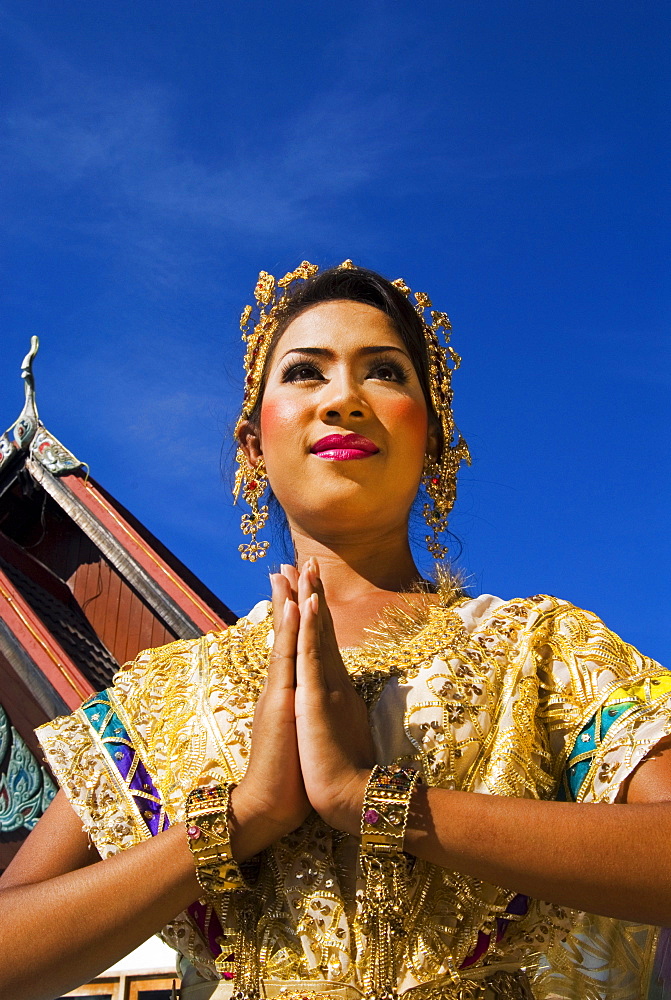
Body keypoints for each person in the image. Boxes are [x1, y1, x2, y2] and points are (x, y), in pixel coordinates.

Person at [1, 260, 670, 1000]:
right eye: (305, 374)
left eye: (384, 372)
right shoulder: (163, 693)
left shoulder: (541, 648)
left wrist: (375, 801)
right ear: (253, 444)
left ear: (435, 441)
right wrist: (244, 816)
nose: (344, 399)